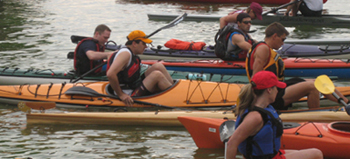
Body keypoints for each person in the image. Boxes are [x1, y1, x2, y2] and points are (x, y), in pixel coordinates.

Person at [245, 22, 348, 110]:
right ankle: (316, 117)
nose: (283, 43)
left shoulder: (266, 48)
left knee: (317, 81)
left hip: (277, 88)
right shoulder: (263, 49)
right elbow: (256, 77)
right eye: (282, 39)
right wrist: (256, 103)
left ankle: (346, 103)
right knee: (312, 87)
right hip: (269, 96)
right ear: (275, 36)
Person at [225, 70, 323, 159]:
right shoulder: (255, 117)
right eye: (276, 88)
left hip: (272, 154)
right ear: (269, 90)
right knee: (316, 154)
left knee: (302, 152)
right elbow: (231, 144)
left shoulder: (265, 108)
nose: (277, 91)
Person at [106, 30, 174, 106]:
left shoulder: (130, 53)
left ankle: (174, 89)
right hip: (128, 93)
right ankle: (175, 98)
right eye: (143, 43)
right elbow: (110, 74)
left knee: (158, 66)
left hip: (134, 84)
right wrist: (121, 95)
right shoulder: (125, 54)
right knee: (156, 75)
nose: (146, 46)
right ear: (134, 43)